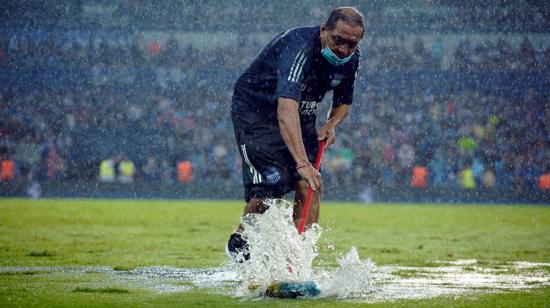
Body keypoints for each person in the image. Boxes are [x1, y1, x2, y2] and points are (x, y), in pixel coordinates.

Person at [226, 7, 365, 263]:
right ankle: (242, 236)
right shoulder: (299, 47)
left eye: (351, 44)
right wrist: (302, 163)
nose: (344, 50)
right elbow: (285, 108)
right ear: (324, 30)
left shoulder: (351, 60)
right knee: (271, 189)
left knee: (309, 184)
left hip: (302, 111)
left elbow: (344, 101)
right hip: (257, 111)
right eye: (338, 40)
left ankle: (298, 263)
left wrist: (332, 124)